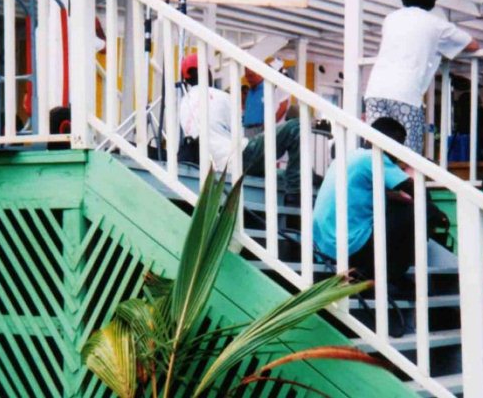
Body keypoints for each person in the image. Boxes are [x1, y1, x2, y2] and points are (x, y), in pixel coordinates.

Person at [364, 0, 479, 154]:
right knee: (409, 155)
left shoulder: (390, 18)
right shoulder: (436, 24)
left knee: (376, 151)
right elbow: (472, 45)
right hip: (406, 94)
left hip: (375, 90)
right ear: (432, 0)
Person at [178, 54, 301, 204]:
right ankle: (295, 195)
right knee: (296, 127)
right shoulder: (220, 96)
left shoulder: (183, 104)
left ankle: (298, 185)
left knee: (283, 175)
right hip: (238, 157)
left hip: (215, 165)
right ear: (206, 72)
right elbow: (238, 132)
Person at [313, 118, 415, 284]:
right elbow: (413, 188)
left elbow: (363, 191)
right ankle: (390, 278)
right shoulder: (374, 158)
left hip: (323, 246)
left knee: (396, 205)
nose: (398, 153)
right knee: (412, 212)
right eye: (399, 145)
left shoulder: (349, 157)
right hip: (350, 246)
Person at [243, 57, 290, 137]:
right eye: (247, 76)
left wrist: (268, 126)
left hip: (261, 129)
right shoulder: (250, 90)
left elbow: (282, 108)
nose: (248, 79)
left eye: (251, 76)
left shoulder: (270, 88)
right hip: (247, 130)